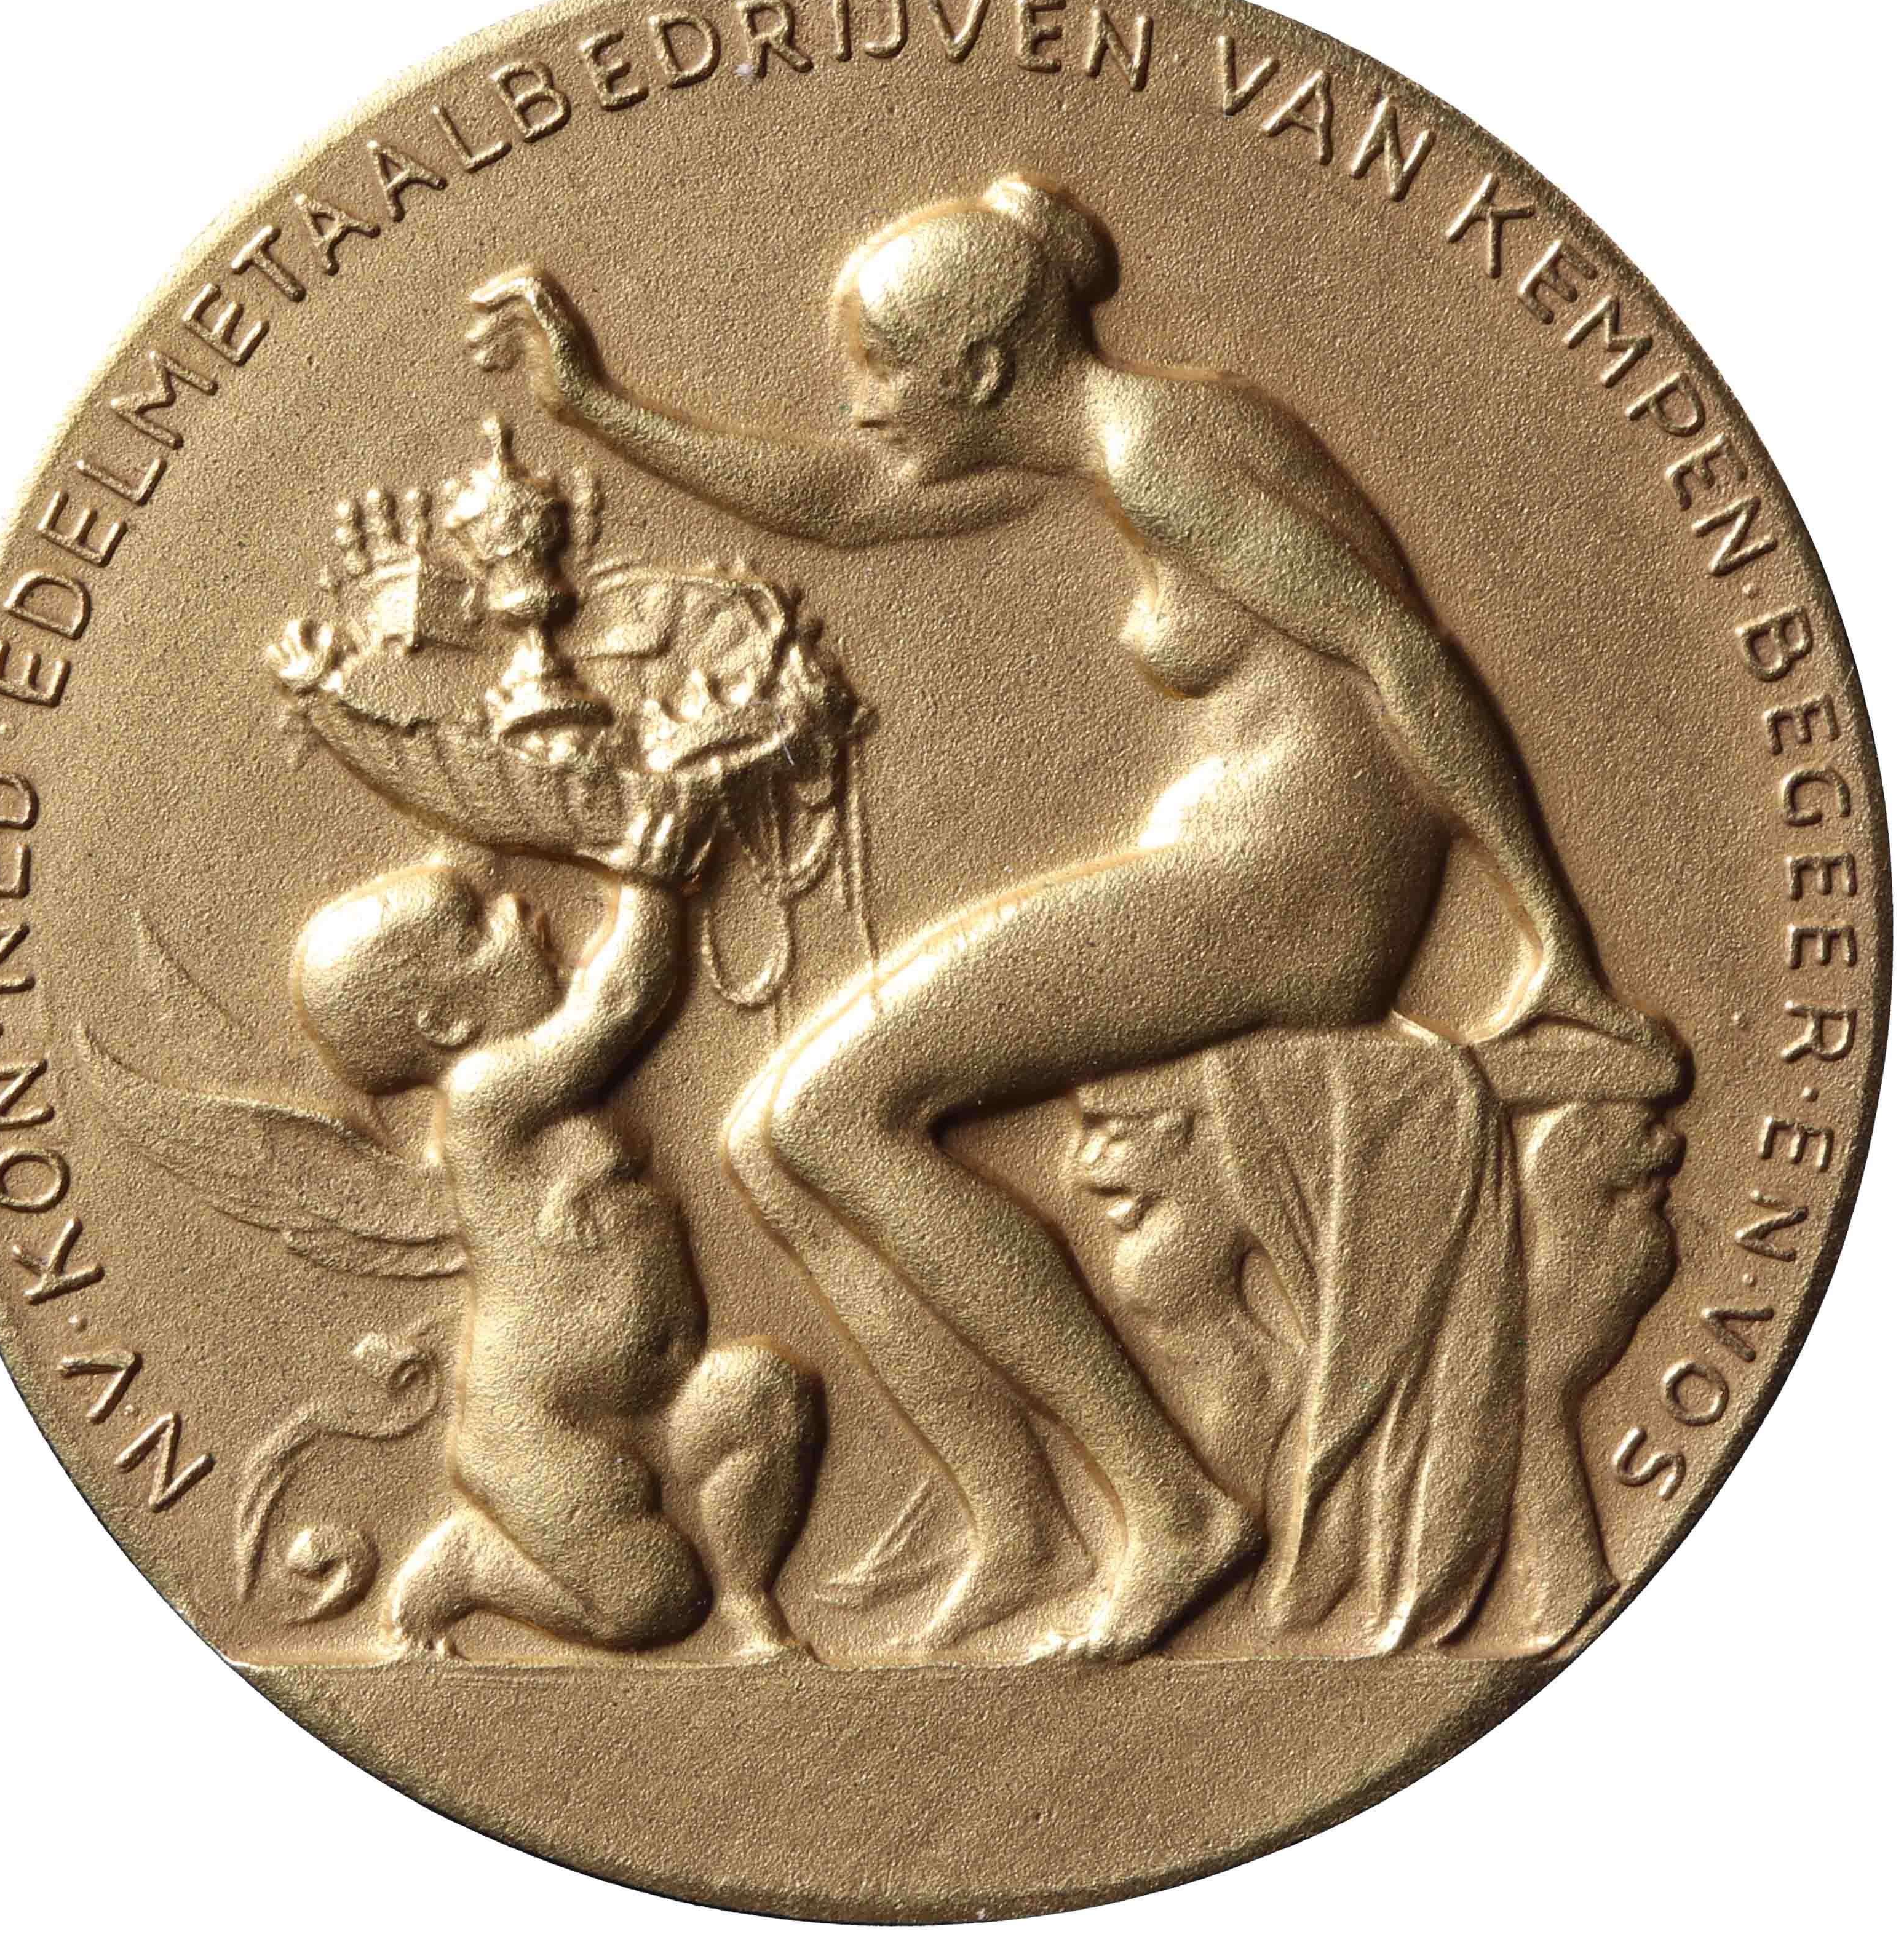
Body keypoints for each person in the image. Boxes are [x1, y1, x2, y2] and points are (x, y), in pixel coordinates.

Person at [467, 174, 1660, 1661]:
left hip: (1290, 890)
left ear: (976, 370)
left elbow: (1398, 653)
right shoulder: (1107, 434)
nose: (858, 403)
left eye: (877, 369)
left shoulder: (1157, 452)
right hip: (1249, 869)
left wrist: (1559, 944)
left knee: (829, 1110)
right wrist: (593, 408)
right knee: (772, 1141)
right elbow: (843, 501)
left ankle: (1171, 1510)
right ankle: (1025, 1529)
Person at [292, 862, 823, 1660]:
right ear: (447, 1021)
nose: (516, 907)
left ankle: (748, 1597)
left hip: (663, 1395)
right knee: (652, 1602)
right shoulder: (485, 1092)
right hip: (543, 1435)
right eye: (477, 929)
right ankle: (472, 1565)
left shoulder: (538, 1097)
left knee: (766, 1396)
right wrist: (650, 877)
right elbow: (618, 1002)